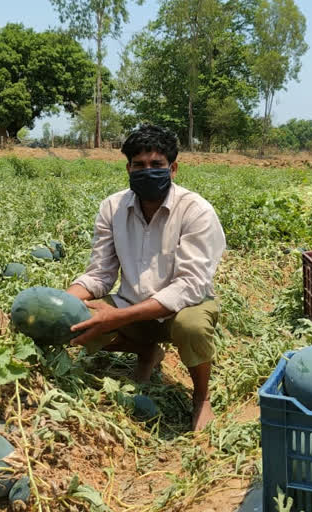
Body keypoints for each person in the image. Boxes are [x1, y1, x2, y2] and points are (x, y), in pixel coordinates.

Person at [66, 123, 226, 431]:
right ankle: (147, 351)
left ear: (173, 168)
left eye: (156, 165)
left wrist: (118, 316)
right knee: (72, 321)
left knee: (190, 327)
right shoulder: (112, 207)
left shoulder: (196, 210)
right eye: (139, 165)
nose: (147, 171)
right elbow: (100, 273)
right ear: (127, 168)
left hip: (187, 306)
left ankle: (202, 398)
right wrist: (63, 301)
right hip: (133, 305)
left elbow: (190, 286)